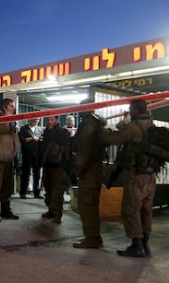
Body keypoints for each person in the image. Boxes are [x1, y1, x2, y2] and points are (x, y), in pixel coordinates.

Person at [101, 98, 154, 258]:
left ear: (135, 111)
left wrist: (102, 127)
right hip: (150, 175)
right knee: (146, 210)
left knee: (131, 209)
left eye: (131, 109)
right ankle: (145, 243)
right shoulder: (151, 125)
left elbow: (112, 139)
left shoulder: (133, 128)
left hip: (136, 175)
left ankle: (137, 245)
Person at [71, 99, 107, 248]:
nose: (78, 109)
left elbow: (84, 148)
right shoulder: (95, 122)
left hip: (89, 169)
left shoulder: (88, 124)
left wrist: (78, 169)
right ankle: (94, 236)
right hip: (94, 168)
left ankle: (91, 237)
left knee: (87, 205)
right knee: (90, 204)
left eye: (80, 107)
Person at [39, 115, 71, 224]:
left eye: (52, 119)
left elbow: (62, 141)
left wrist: (50, 131)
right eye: (48, 119)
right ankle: (50, 210)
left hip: (58, 165)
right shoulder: (47, 131)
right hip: (47, 163)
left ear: (57, 120)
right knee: (48, 189)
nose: (50, 121)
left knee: (57, 191)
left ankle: (57, 214)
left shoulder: (63, 132)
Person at [18, 118, 44, 199]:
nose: (36, 122)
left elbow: (42, 139)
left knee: (37, 174)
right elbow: (21, 139)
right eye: (34, 120)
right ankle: (23, 192)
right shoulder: (24, 128)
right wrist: (32, 138)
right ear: (30, 120)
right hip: (27, 154)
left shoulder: (39, 129)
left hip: (37, 155)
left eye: (37, 120)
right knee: (26, 173)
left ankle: (36, 192)